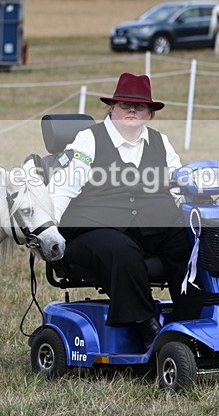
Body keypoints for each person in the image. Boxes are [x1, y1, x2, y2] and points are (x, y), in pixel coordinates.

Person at [48, 73, 203, 349]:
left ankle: (190, 324)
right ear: (112, 108)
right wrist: (49, 230)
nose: (132, 110)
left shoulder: (160, 142)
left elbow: (179, 185)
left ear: (149, 114)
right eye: (124, 104)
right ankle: (147, 328)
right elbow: (64, 187)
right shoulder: (88, 140)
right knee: (120, 249)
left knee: (190, 246)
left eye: (139, 106)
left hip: (151, 228)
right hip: (93, 230)